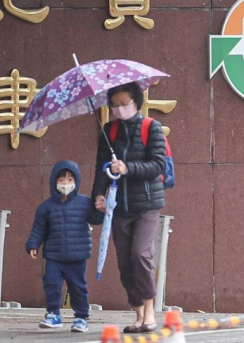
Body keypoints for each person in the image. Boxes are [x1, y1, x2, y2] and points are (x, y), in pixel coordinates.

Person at [93, 82, 166, 334]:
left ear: (137, 102)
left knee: (140, 254)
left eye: (125, 104)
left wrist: (128, 168)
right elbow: (101, 168)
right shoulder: (109, 131)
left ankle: (149, 311)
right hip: (118, 206)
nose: (120, 109)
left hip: (146, 204)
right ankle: (137, 314)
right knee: (125, 262)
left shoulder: (151, 127)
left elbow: (157, 165)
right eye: (115, 105)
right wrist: (97, 195)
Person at [26, 160, 103, 332]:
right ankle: (53, 314)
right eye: (61, 180)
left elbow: (96, 219)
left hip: (77, 256)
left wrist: (103, 210)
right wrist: (33, 245)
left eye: (70, 180)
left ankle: (82, 317)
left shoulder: (84, 203)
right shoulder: (46, 207)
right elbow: (39, 229)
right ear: (54, 182)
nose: (66, 184)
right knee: (51, 284)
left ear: (76, 182)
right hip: (54, 256)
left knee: (78, 287)